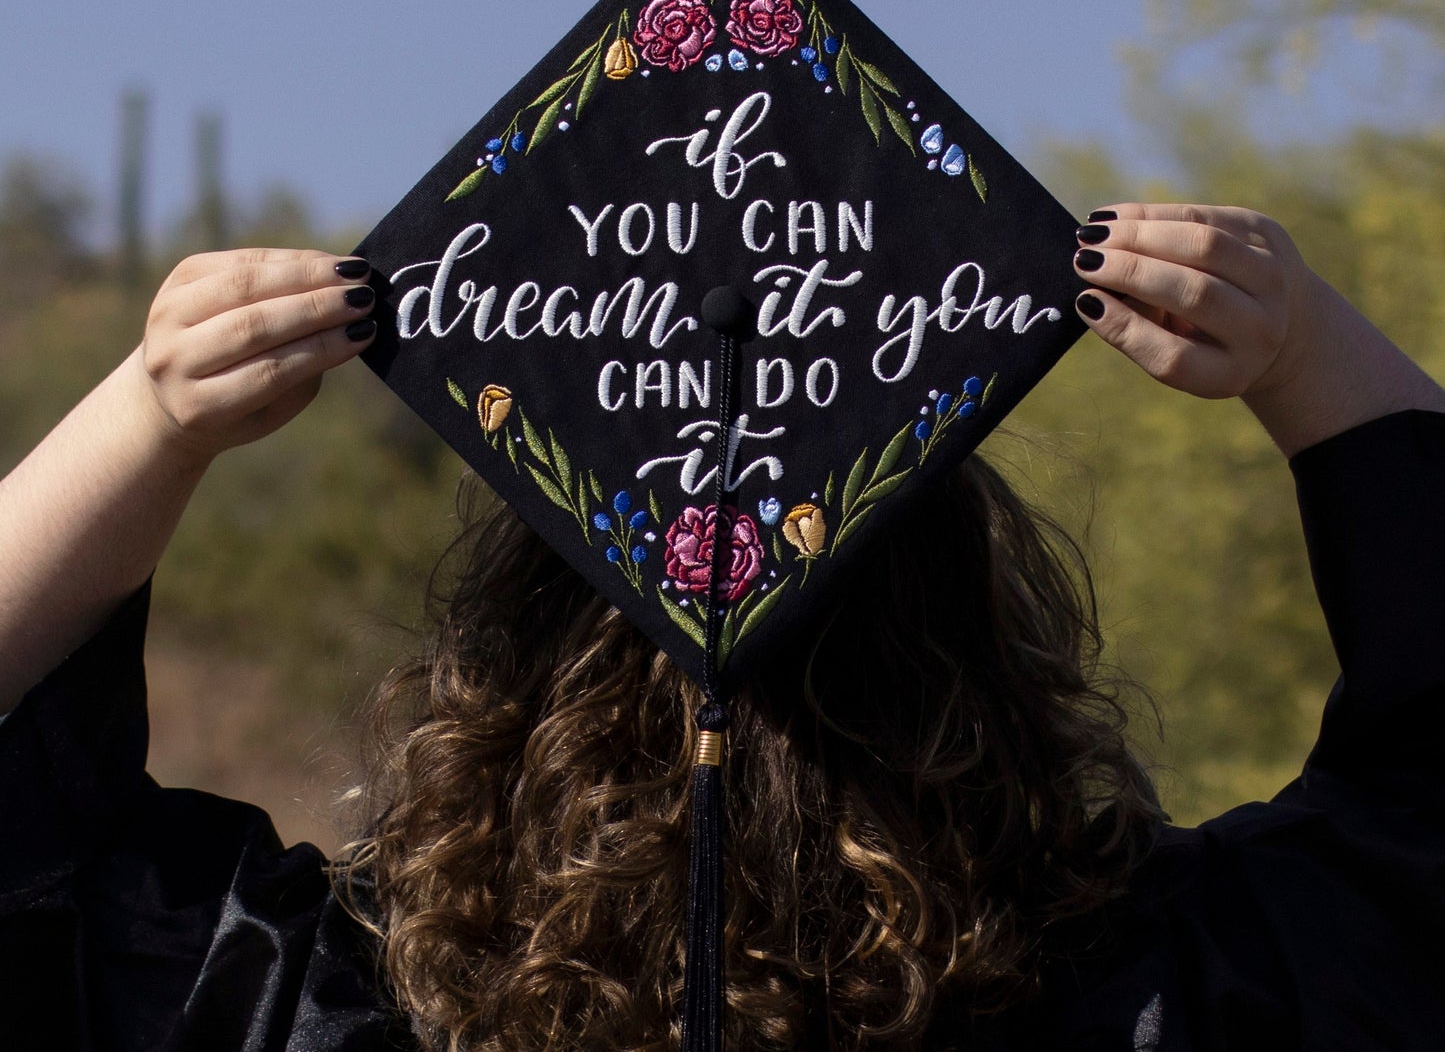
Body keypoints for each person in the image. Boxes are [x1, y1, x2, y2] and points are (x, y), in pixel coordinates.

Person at [1, 203, 1442, 1050]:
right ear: (976, 656)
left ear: (507, 672)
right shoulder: (1160, 996)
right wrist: (1304, 346)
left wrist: (153, 412)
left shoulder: (341, 1014)